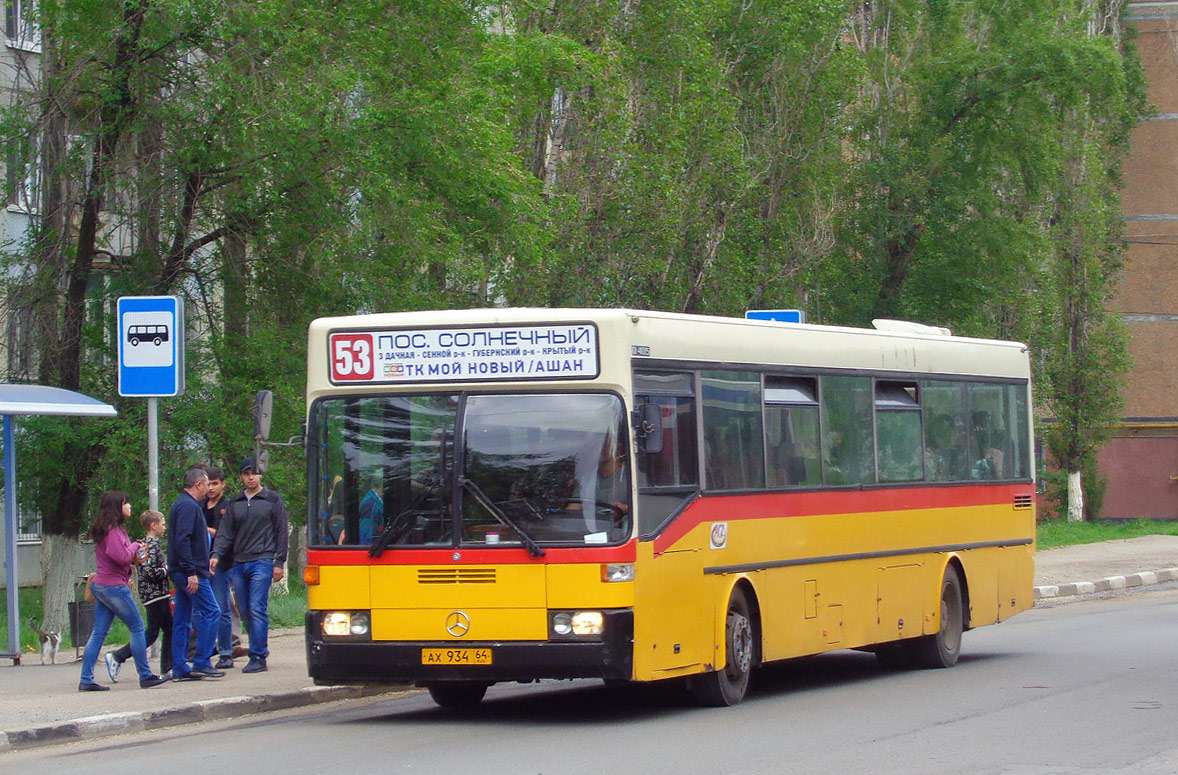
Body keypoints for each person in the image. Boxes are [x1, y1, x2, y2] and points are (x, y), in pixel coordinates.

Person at [77, 492, 170, 691]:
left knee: (98, 633)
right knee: (137, 627)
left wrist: (132, 561)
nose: (130, 507)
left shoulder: (113, 529)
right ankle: (145, 676)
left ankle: (86, 679)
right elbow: (120, 556)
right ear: (118, 507)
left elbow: (121, 558)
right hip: (113, 587)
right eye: (126, 504)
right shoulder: (112, 531)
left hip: (105, 585)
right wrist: (136, 545)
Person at [212, 456, 289, 673]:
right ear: (241, 477)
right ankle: (258, 648)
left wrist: (279, 561)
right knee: (244, 608)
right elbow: (225, 533)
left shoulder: (272, 500)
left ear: (260, 474)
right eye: (246, 474)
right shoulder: (235, 503)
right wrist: (216, 554)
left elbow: (282, 531)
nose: (250, 477)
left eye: (254, 473)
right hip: (239, 561)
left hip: (262, 560)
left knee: (257, 607)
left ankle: (258, 655)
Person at [168, 466, 224, 681]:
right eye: (207, 484)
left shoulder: (183, 504)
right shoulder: (189, 507)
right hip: (190, 573)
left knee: (182, 619)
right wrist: (191, 572)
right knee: (212, 611)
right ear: (198, 484)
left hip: (184, 570)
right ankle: (202, 661)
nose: (208, 489)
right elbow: (183, 540)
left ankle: (180, 666)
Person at [105, 510, 173, 680]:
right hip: (153, 595)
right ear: (153, 525)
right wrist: (168, 570)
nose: (165, 527)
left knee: (169, 628)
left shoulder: (152, 545)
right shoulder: (147, 546)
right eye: (163, 524)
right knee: (151, 633)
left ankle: (167, 667)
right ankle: (118, 656)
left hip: (161, 594)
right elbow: (149, 572)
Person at [202, 465, 238, 668]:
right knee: (203, 610)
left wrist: (209, 531)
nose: (211, 488)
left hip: (221, 563)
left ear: (222, 484)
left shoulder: (228, 506)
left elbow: (228, 534)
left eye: (215, 484)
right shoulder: (199, 505)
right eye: (208, 484)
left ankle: (226, 652)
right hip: (201, 563)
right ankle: (203, 651)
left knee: (222, 607)